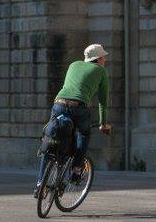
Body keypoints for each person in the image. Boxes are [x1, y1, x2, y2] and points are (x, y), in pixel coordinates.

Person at [34, 44, 111, 196]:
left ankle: (39, 185)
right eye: (104, 56)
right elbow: (103, 102)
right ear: (98, 58)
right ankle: (76, 171)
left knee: (49, 141)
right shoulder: (101, 71)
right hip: (79, 108)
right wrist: (104, 124)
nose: (105, 59)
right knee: (83, 135)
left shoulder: (74, 64)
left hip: (59, 104)